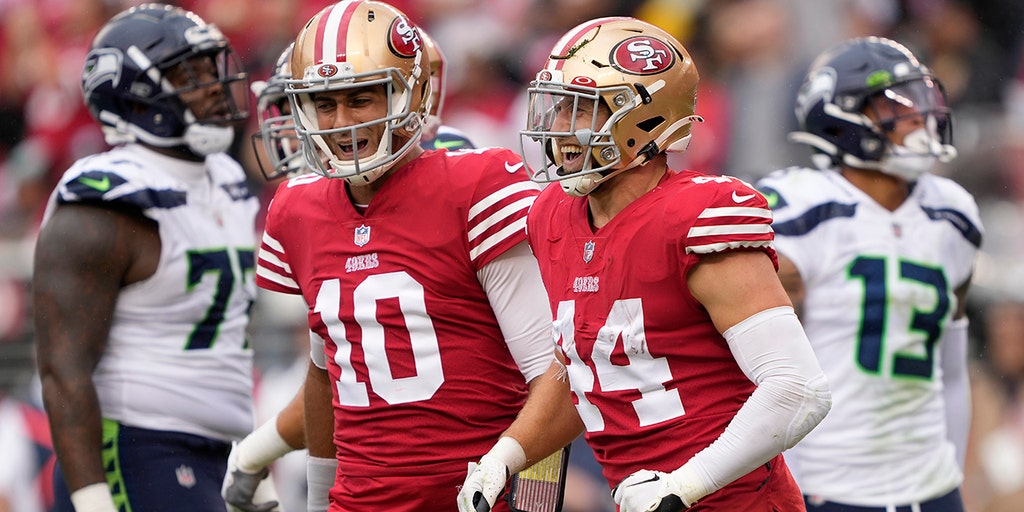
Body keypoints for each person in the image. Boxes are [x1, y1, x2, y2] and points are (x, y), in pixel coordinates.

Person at [251, 1, 583, 511]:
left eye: (360, 99)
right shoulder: (296, 209)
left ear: (413, 93)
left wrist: (521, 489)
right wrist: (318, 499)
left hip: (473, 497)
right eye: (323, 103)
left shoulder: (474, 185)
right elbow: (327, 376)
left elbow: (556, 372)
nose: (340, 122)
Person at [514, 16, 832, 511]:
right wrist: (508, 455)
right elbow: (580, 366)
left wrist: (683, 485)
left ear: (645, 120)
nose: (558, 129)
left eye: (582, 112)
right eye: (558, 108)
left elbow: (798, 389)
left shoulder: (698, 216)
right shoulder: (552, 214)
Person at [223, 24, 489, 512]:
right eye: (315, 105)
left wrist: (259, 448)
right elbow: (344, 371)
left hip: (465, 461)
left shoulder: (458, 178)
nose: (301, 127)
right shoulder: (315, 203)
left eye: (355, 99)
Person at [31, 4, 279, 512]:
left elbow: (224, 347)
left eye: (212, 68)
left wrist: (252, 455)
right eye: (189, 73)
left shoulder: (225, 180)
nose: (213, 85)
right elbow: (63, 370)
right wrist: (93, 497)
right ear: (135, 95)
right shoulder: (106, 201)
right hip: (136, 450)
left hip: (216, 452)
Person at [755, 36, 983, 511]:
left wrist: (952, 468)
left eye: (921, 101)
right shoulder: (799, 211)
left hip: (932, 485)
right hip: (825, 485)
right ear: (840, 117)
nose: (918, 118)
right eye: (894, 106)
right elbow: (751, 373)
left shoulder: (953, 212)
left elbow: (951, 365)